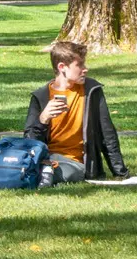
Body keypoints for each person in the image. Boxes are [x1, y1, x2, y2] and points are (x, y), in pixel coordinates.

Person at [24, 40, 127, 183]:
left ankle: (32, 175)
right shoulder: (41, 96)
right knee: (43, 168)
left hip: (76, 163)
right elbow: (30, 142)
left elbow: (107, 134)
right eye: (80, 65)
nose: (85, 69)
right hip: (47, 159)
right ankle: (29, 173)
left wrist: (120, 173)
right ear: (62, 67)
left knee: (57, 172)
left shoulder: (91, 90)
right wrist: (42, 119)